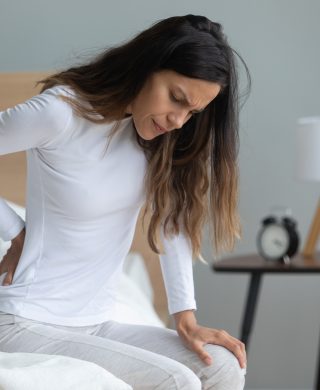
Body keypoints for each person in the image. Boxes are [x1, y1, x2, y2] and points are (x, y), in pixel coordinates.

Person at [0, 14, 251, 389]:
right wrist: (15, 230)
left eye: (192, 112)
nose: (179, 120)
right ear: (145, 66)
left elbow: (172, 221)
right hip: (24, 321)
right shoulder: (61, 112)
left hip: (96, 322)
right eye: (176, 98)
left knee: (223, 366)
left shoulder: (154, 136)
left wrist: (185, 316)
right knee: (177, 381)